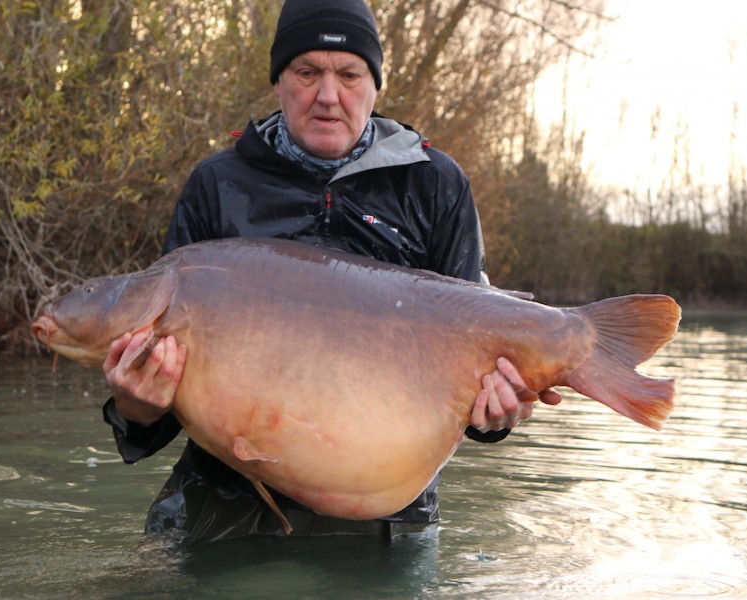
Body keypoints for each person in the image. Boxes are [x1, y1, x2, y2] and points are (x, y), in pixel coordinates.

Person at [101, 0, 560, 546]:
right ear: (278, 83)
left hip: (387, 515)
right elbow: (152, 418)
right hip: (226, 502)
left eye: (348, 74)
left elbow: (480, 396)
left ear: (374, 84)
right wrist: (135, 406)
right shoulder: (217, 184)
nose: (327, 94)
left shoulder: (435, 186)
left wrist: (498, 416)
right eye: (307, 72)